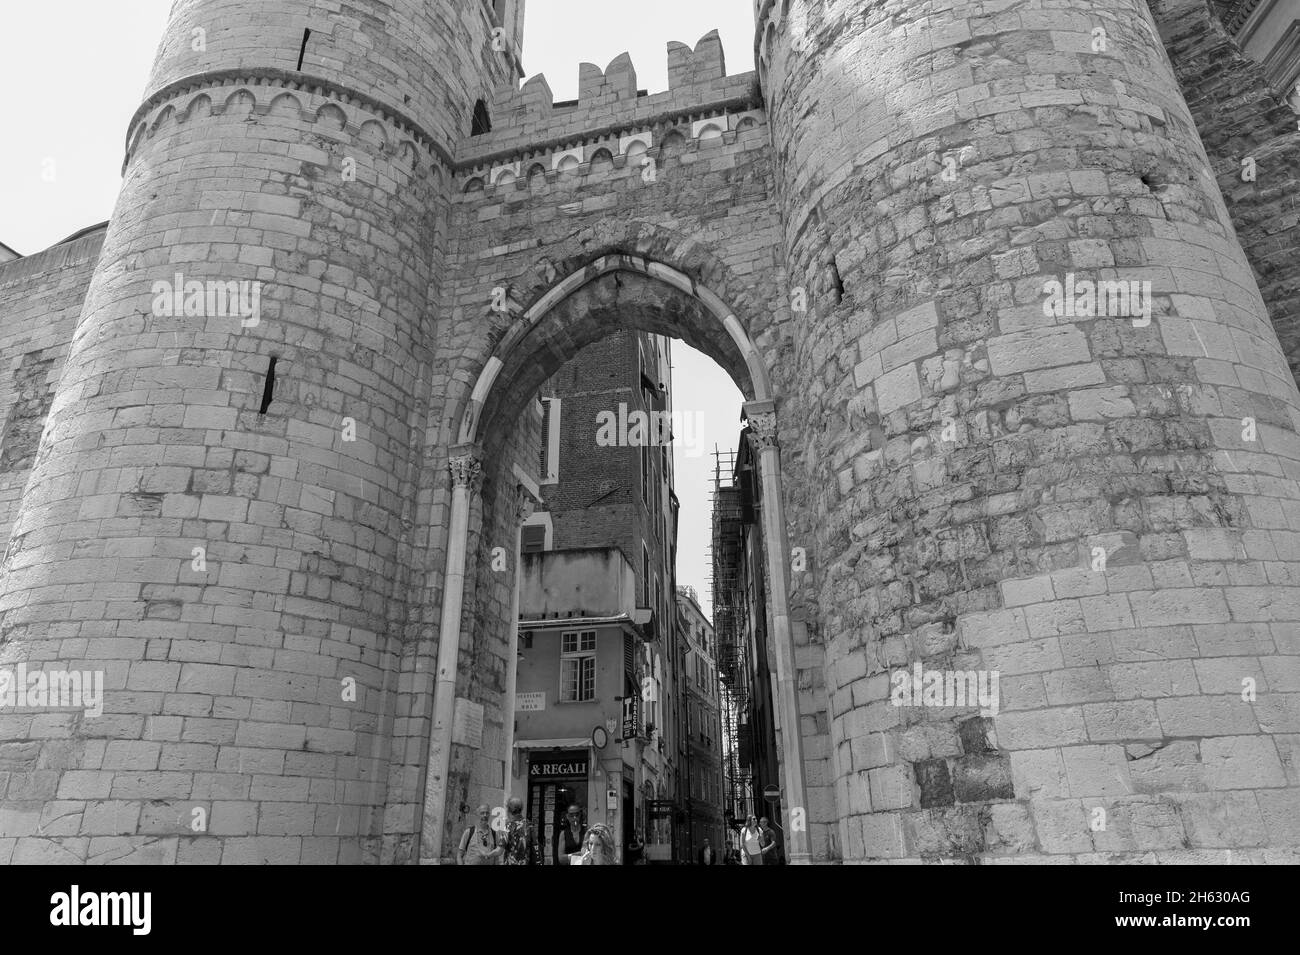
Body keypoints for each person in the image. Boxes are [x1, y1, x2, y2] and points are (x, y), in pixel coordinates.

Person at [502, 796, 536, 866]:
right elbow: (535, 845)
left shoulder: (509, 826)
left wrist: (488, 854)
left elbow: (500, 849)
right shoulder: (529, 824)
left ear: (509, 810)